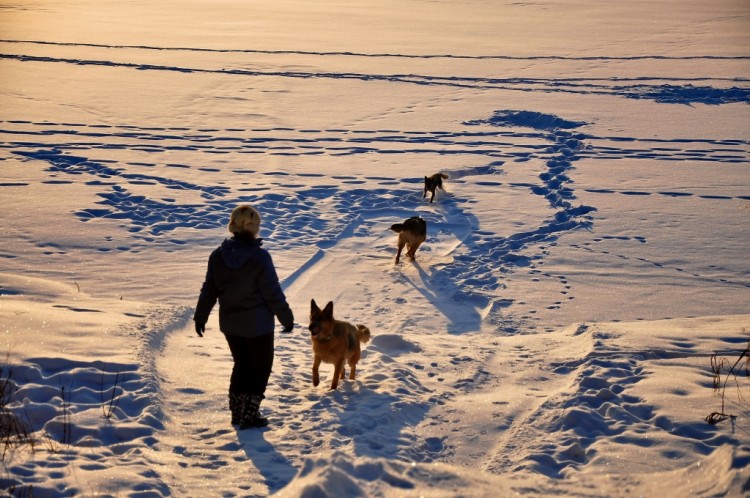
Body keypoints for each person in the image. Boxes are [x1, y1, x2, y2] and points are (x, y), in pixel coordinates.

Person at [194, 205, 294, 429]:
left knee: (241, 365)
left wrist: (200, 317)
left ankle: (237, 412)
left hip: (231, 325)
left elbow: (209, 289)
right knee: (260, 367)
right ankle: (250, 414)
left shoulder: (218, 255)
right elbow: (272, 292)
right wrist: (286, 318)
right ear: (254, 228)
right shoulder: (260, 257)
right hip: (258, 327)